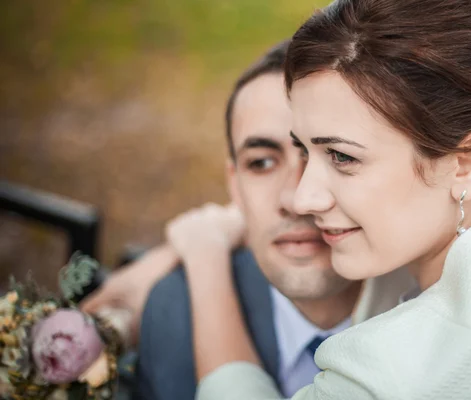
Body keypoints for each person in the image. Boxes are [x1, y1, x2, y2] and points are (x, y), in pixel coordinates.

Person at [184, 0, 471, 399]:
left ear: (468, 165)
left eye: (342, 156)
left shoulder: (383, 376)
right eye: (305, 149)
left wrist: (204, 260)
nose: (303, 198)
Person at [81, 40, 413, 400]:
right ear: (234, 188)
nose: (297, 200)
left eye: (336, 155)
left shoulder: (436, 318)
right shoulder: (172, 314)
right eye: (261, 163)